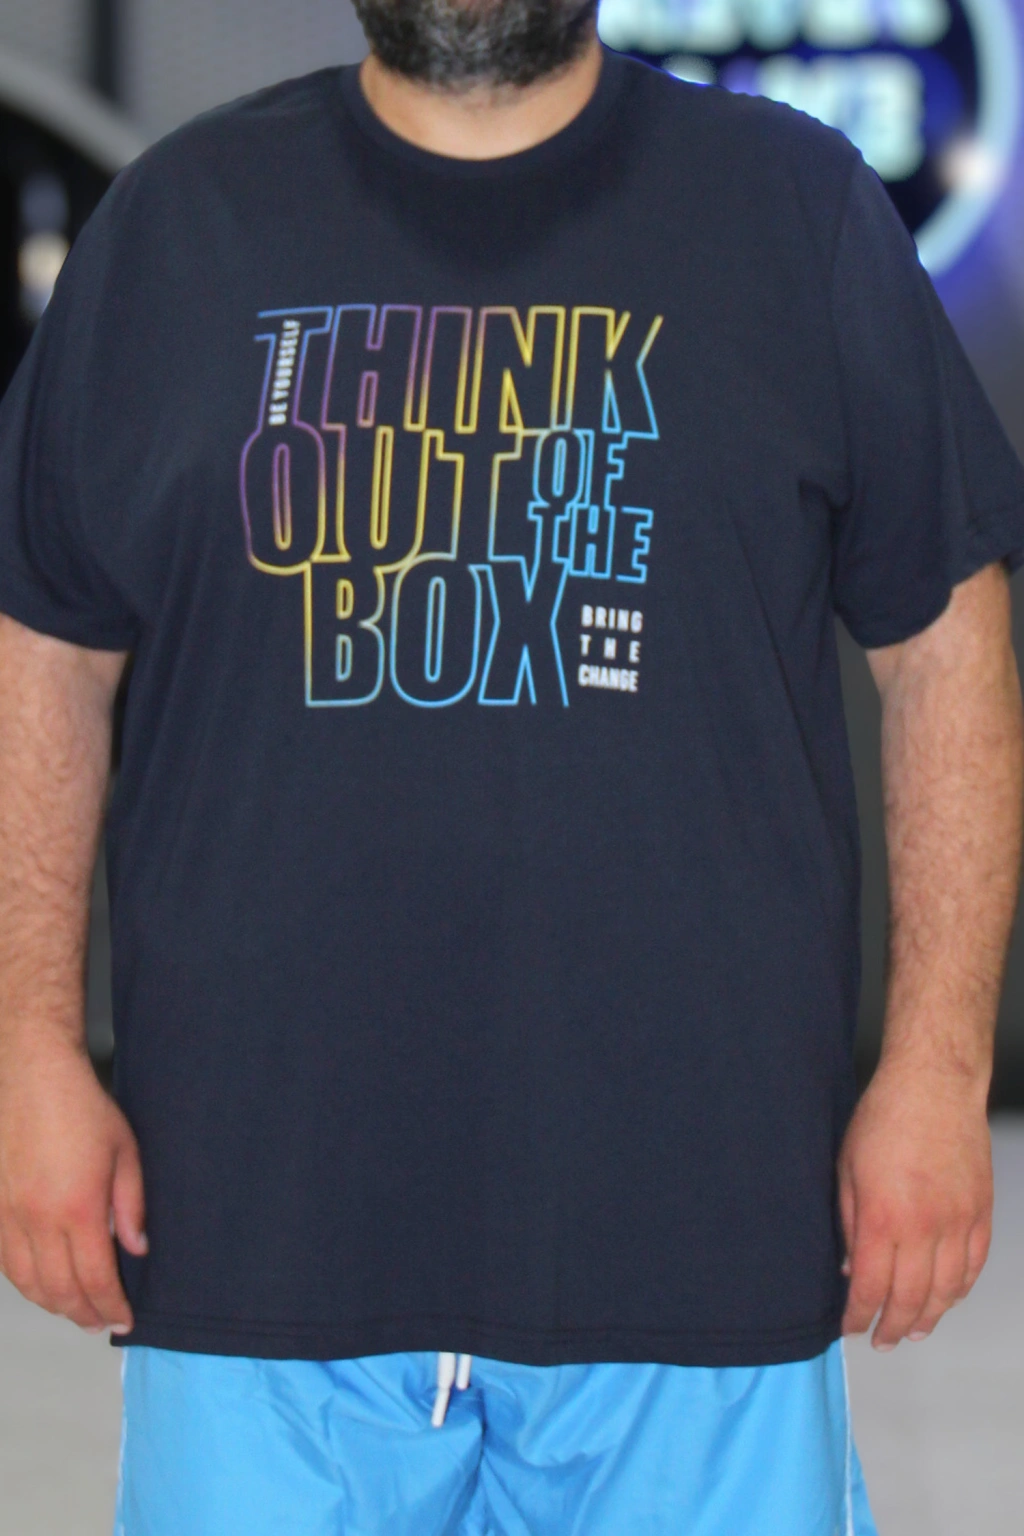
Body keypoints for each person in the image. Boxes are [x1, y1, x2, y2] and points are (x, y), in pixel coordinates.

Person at [0, 0, 1022, 1528]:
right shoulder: (178, 224)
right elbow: (44, 653)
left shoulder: (792, 208)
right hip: (258, 1225)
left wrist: (939, 1070)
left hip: (696, 1232)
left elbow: (945, 646)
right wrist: (26, 1049)